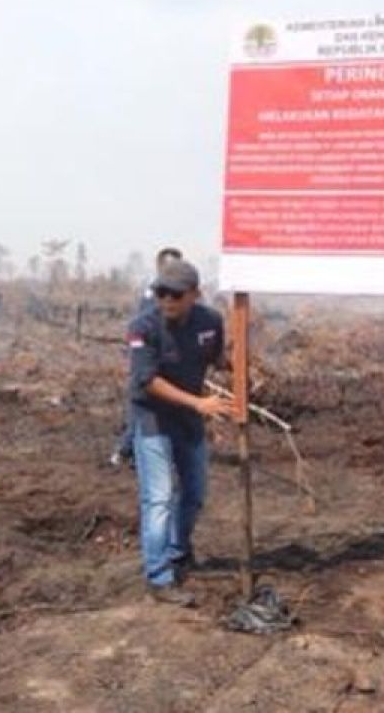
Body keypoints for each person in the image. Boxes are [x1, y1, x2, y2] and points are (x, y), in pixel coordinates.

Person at [126, 259, 232, 606]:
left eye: (175, 294)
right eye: (161, 292)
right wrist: (199, 403)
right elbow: (147, 380)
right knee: (159, 497)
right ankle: (159, 576)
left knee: (195, 493)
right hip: (153, 417)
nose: (167, 300)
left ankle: (178, 551)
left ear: (195, 295)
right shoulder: (143, 327)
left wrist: (242, 366)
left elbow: (219, 360)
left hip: (188, 418)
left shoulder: (210, 322)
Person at [112, 247, 185, 471]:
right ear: (161, 267)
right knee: (144, 406)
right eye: (173, 266)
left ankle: (133, 453)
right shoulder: (157, 294)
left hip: (158, 357)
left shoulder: (162, 290)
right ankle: (124, 452)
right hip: (151, 358)